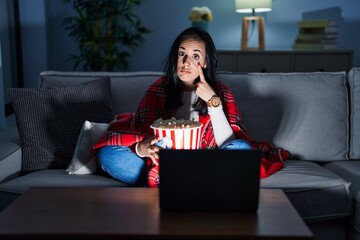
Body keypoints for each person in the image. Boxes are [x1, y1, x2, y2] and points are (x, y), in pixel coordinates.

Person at [91, 27, 289, 188]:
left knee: (242, 150)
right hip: (161, 163)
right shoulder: (157, 90)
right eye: (181, 54)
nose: (186, 62)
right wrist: (141, 150)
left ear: (205, 62)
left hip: (205, 161)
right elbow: (142, 133)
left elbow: (228, 143)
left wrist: (213, 103)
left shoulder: (219, 91)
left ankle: (183, 182)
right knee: (107, 153)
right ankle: (189, 183)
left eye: (195, 56)